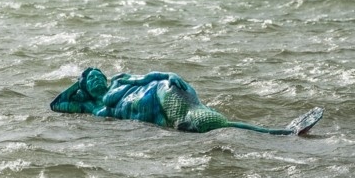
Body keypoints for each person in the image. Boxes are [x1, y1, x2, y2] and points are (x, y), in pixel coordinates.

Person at [50, 67, 323, 135]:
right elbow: (57, 104)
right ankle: (281, 133)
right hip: (154, 116)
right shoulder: (90, 106)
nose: (97, 79)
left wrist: (170, 74)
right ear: (84, 89)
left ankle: (279, 132)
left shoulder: (119, 80)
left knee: (202, 121)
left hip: (160, 94)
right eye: (91, 80)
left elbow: (149, 77)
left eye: (99, 75)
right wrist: (78, 84)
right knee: (200, 125)